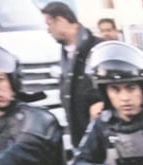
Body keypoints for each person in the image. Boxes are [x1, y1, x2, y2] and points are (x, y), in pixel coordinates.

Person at [41, 1, 102, 150]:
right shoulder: (64, 55)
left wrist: (103, 103)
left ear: (60, 20)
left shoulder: (98, 48)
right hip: (78, 139)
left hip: (102, 138)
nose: (48, 30)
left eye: (49, 24)